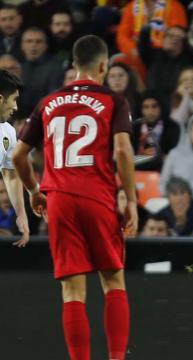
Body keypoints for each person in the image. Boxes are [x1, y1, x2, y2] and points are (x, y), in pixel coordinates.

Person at [12, 35, 137, 360]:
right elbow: (123, 150)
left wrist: (34, 191)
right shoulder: (114, 100)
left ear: (74, 65)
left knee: (72, 291)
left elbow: (18, 156)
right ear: (102, 65)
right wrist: (132, 200)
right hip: (97, 197)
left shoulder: (48, 102)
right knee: (113, 281)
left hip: (60, 201)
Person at [0, 69, 28, 246]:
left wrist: (21, 214)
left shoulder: (8, 132)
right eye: (14, 100)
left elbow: (10, 175)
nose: (16, 107)